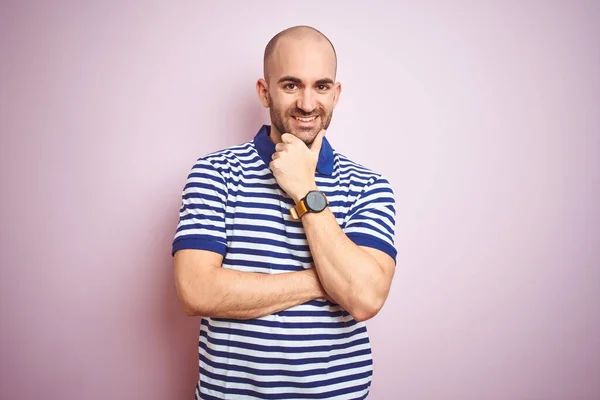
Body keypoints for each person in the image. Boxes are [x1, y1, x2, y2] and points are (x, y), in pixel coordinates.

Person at [172, 25, 397, 400]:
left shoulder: (369, 186)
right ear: (265, 91)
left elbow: (365, 300)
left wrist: (306, 190)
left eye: (321, 86)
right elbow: (196, 291)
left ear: (336, 94)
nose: (308, 104)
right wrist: (329, 281)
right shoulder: (215, 173)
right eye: (291, 85)